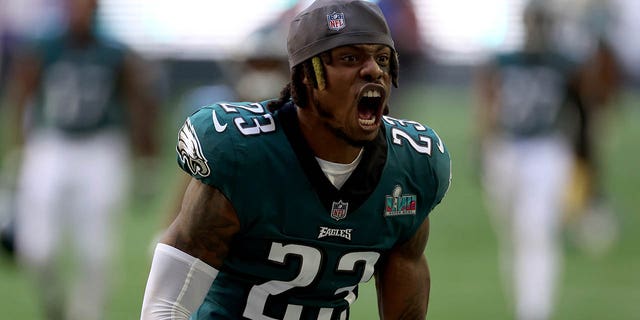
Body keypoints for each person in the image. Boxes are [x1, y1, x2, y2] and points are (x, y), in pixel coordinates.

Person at [140, 0, 451, 319]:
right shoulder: (245, 157)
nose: (373, 70)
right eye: (349, 57)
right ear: (307, 76)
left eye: (382, 58)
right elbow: (167, 305)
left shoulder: (410, 169)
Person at [2, 0, 159, 319]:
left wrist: (146, 157)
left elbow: (139, 101)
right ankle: (53, 297)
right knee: (37, 245)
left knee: (97, 246)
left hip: (101, 146)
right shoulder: (44, 46)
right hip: (53, 142)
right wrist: (19, 147)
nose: (78, 11)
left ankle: (85, 312)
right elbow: (23, 94)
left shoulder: (115, 51)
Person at [474, 1, 585, 320]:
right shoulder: (502, 61)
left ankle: (534, 310)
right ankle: (526, 301)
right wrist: (482, 145)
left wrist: (581, 161)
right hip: (505, 149)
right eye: (532, 22)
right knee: (512, 233)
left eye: (541, 23)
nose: (536, 30)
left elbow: (582, 113)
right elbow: (487, 104)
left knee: (535, 229)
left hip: (546, 149)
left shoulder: (565, 64)